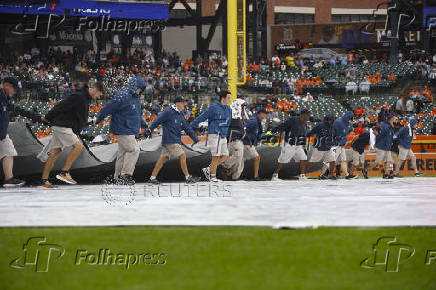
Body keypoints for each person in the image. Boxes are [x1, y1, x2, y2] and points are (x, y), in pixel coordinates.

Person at [40, 77, 104, 188]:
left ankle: (44, 180)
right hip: (62, 126)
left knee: (55, 152)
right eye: (99, 94)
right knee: (78, 146)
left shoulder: (85, 98)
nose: (99, 97)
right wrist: (47, 117)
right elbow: (61, 106)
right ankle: (64, 172)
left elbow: (78, 117)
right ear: (94, 89)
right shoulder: (79, 96)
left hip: (63, 126)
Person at [95, 76, 146, 184]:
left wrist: (144, 125)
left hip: (130, 129)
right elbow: (108, 108)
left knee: (122, 153)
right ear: (134, 85)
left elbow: (137, 114)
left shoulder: (136, 98)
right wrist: (98, 119)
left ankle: (117, 177)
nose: (140, 91)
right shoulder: (122, 96)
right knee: (134, 150)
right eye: (139, 88)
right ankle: (125, 175)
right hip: (122, 128)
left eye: (141, 89)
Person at [146, 97, 200, 184]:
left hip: (172, 140)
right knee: (182, 156)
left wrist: (195, 138)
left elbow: (187, 127)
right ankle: (187, 177)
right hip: (171, 140)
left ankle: (152, 177)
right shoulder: (168, 112)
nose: (184, 105)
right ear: (177, 103)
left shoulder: (180, 114)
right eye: (183, 103)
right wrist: (149, 129)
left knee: (164, 158)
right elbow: (157, 121)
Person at [190, 91, 232, 182]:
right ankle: (213, 177)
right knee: (216, 156)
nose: (230, 99)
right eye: (228, 97)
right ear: (223, 98)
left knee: (225, 156)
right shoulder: (214, 107)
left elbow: (229, 122)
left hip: (223, 135)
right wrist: (190, 125)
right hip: (215, 133)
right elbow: (202, 117)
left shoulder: (229, 109)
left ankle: (208, 169)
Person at [271, 109, 311, 181]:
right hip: (290, 144)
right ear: (303, 114)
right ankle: (274, 176)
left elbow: (304, 134)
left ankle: (302, 176)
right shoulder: (294, 119)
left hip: (298, 145)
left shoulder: (304, 123)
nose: (309, 116)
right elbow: (283, 125)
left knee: (303, 158)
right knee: (282, 159)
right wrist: (275, 129)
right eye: (308, 115)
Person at [0, 77, 25, 187]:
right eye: (14, 89)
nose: (15, 92)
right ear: (6, 85)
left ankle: (9, 180)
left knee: (9, 151)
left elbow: (14, 110)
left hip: (2, 134)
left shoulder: (7, 98)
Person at [220, 98, 248, 181]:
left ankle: (236, 176)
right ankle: (224, 165)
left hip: (239, 139)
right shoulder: (232, 113)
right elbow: (229, 127)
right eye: (242, 106)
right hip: (232, 139)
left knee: (241, 158)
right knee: (238, 155)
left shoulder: (239, 114)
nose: (243, 108)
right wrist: (230, 137)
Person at [306, 113, 336, 180]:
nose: (334, 121)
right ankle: (302, 174)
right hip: (319, 147)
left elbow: (333, 135)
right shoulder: (320, 125)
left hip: (328, 147)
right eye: (333, 119)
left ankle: (331, 175)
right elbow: (312, 132)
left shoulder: (332, 126)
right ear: (329, 119)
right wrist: (308, 134)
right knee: (312, 161)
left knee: (332, 161)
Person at [243, 108, 267, 180]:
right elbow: (245, 130)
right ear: (260, 114)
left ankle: (227, 172)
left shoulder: (257, 121)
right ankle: (256, 176)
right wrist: (249, 141)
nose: (264, 116)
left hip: (250, 143)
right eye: (264, 114)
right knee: (257, 158)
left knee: (240, 160)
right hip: (247, 143)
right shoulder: (253, 121)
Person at [333, 111, 357, 179]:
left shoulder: (347, 123)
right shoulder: (338, 122)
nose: (352, 119)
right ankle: (323, 174)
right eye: (351, 118)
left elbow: (346, 132)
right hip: (336, 145)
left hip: (341, 145)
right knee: (331, 160)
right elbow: (333, 132)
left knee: (343, 160)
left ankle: (347, 175)